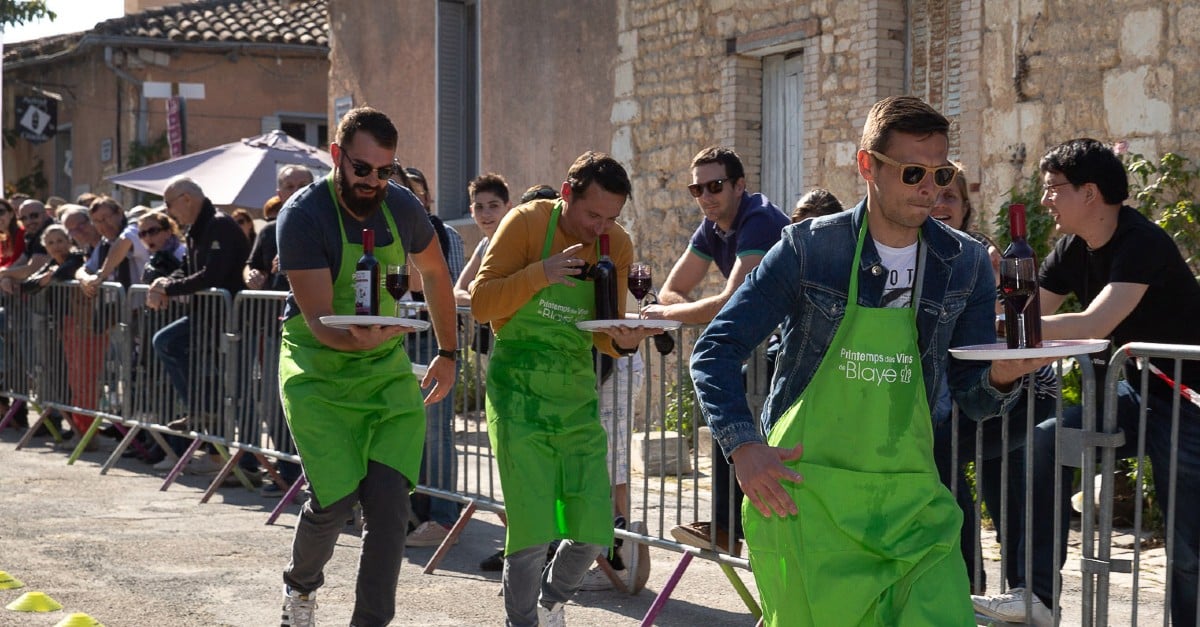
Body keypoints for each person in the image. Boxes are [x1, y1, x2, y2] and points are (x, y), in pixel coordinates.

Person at [688, 96, 1050, 625]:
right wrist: (743, 446)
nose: (931, 188)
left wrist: (1000, 376)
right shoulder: (808, 250)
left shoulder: (965, 262)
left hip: (912, 502)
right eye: (912, 173)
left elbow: (971, 395)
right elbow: (716, 349)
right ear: (867, 166)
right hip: (804, 504)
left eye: (941, 172)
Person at [972, 138, 1200, 627]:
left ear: (1090, 193)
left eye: (1055, 188)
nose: (1046, 198)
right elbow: (1032, 312)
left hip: (1187, 397)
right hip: (1132, 390)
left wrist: (1005, 327)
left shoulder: (1142, 242)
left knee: (1187, 546)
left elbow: (1095, 322)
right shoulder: (1072, 248)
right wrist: (970, 319)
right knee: (1048, 438)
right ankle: (1036, 597)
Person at [274, 106, 458, 627]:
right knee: (333, 500)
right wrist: (359, 342)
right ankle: (301, 588)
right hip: (317, 365)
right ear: (337, 156)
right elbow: (318, 322)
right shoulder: (304, 214)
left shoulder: (400, 206)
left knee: (389, 507)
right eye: (362, 169)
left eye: (386, 171)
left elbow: (437, 277)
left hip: (382, 365)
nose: (374, 182)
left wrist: (447, 354)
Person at [471, 151, 660, 626]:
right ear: (566, 194)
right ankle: (524, 621)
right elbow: (481, 303)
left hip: (576, 395)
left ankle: (551, 601)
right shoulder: (527, 223)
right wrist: (543, 273)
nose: (601, 228)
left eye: (611, 218)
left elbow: (604, 330)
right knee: (532, 529)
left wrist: (626, 341)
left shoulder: (615, 245)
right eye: (593, 214)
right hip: (517, 392)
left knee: (595, 529)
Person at [640, 145, 789, 555]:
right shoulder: (713, 227)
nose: (705, 196)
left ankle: (731, 527)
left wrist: (666, 314)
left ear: (740, 185)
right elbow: (673, 288)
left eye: (715, 186)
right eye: (697, 189)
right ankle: (732, 527)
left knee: (730, 392)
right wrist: (673, 309)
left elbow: (730, 301)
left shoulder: (757, 219)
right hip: (771, 343)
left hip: (801, 339)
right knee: (730, 394)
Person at [145, 177, 253, 476]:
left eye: (169, 204)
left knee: (240, 391)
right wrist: (166, 281)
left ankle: (249, 462)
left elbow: (213, 275)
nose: (168, 212)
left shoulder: (219, 224)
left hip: (233, 319)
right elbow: (190, 268)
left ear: (187, 198)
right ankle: (201, 408)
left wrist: (169, 289)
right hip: (208, 317)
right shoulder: (196, 229)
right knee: (166, 342)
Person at [244, 165, 314, 498]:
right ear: (279, 192)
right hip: (274, 329)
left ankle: (317, 476)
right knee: (276, 403)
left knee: (312, 405)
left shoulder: (325, 223)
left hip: (317, 327)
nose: (297, 189)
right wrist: (253, 276)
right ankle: (287, 472)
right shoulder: (268, 230)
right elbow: (252, 266)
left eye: (304, 184)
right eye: (290, 185)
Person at [78, 196, 150, 294]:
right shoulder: (105, 243)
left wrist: (101, 276)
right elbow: (85, 268)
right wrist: (85, 279)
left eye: (105, 218)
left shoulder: (135, 229)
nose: (103, 225)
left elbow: (124, 241)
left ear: (119, 213)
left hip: (140, 305)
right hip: (114, 306)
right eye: (97, 221)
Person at [0, 199, 54, 292]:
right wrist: (5, 276)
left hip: (65, 297)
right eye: (23, 218)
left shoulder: (50, 232)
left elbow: (33, 268)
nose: (29, 221)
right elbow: (19, 263)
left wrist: (4, 274)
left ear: (46, 214)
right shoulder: (30, 235)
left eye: (34, 216)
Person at [136, 211, 187, 283]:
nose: (147, 238)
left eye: (152, 231)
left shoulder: (183, 253)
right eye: (142, 234)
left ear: (168, 232)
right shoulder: (154, 258)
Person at [0, 198, 25, 270]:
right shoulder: (3, 238)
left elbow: (15, 263)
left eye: (1, 212)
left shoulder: (21, 233)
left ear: (11, 214)